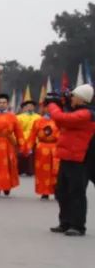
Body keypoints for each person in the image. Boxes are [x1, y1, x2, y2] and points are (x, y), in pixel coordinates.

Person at [46, 85, 95, 236]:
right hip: (67, 156)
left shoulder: (88, 114)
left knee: (76, 193)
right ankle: (65, 222)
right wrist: (61, 105)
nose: (71, 98)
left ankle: (78, 225)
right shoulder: (76, 112)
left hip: (80, 159)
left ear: (82, 98)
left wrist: (52, 105)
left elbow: (62, 119)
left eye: (73, 95)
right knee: (62, 192)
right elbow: (60, 122)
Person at [31, 107, 59, 200]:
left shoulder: (60, 121)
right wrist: (27, 148)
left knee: (57, 171)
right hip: (42, 148)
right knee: (43, 171)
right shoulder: (38, 121)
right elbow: (32, 135)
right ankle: (44, 192)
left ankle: (57, 191)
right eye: (47, 107)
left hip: (56, 147)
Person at [16, 99, 39, 176]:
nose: (30, 108)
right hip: (23, 138)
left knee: (32, 157)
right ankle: (20, 170)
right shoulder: (19, 117)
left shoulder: (38, 117)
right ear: (24, 108)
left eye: (32, 106)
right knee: (21, 155)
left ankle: (31, 171)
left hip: (34, 139)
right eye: (28, 106)